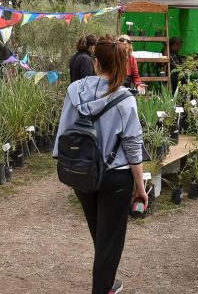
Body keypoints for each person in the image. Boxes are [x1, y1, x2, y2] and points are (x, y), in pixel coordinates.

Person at [54, 35, 148, 294]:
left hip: (81, 171)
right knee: (110, 239)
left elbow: (64, 129)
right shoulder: (125, 98)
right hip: (115, 177)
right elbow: (132, 145)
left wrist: (62, 161)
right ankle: (103, 287)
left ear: (96, 62)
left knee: (100, 234)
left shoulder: (74, 91)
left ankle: (108, 281)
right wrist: (140, 186)